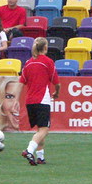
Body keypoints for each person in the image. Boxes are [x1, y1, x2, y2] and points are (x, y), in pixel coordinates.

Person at [16, 37, 59, 165]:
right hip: (42, 100)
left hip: (30, 101)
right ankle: (29, 150)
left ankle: (40, 157)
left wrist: (15, 99)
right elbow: (56, 82)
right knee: (44, 130)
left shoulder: (28, 63)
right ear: (45, 48)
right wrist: (57, 92)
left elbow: (21, 83)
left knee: (40, 129)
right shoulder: (48, 61)